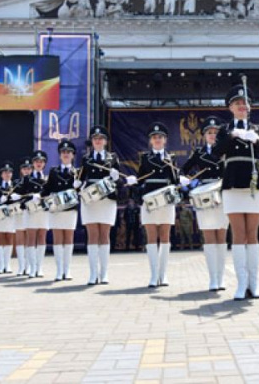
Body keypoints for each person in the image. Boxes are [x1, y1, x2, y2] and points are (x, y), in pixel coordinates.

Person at [212, 84, 259, 300]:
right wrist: (232, 135)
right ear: (231, 108)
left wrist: (254, 138)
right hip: (233, 182)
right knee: (238, 234)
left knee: (252, 234)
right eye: (237, 103)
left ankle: (254, 284)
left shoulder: (257, 128)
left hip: (253, 182)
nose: (241, 106)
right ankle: (241, 283)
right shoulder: (225, 129)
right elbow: (217, 151)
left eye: (244, 103)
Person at [128, 122, 182, 288]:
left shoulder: (171, 158)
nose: (157, 139)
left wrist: (182, 181)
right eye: (154, 137)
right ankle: (153, 275)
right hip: (150, 201)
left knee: (165, 236)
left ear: (165, 140)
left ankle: (163, 274)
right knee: (151, 236)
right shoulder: (145, 158)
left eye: (160, 137)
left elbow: (175, 181)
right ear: (150, 141)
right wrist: (133, 182)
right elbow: (140, 179)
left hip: (166, 201)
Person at [181, 115, 228, 291]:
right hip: (204, 196)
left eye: (215, 132)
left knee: (221, 236)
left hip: (222, 194)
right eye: (209, 132)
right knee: (209, 237)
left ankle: (221, 277)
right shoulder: (198, 153)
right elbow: (183, 170)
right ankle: (212, 278)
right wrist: (184, 179)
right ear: (204, 135)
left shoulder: (225, 151)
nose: (212, 135)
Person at [77, 125, 123, 285]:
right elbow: (81, 178)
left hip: (107, 200)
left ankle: (104, 273)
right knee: (92, 236)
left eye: (100, 139)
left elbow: (120, 182)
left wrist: (116, 177)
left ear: (105, 141)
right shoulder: (86, 159)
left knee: (104, 235)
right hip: (90, 200)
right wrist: (77, 183)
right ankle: (92, 273)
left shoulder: (113, 158)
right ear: (92, 141)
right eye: (95, 139)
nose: (98, 141)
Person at [40, 140, 79, 281]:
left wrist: (79, 185)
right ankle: (59, 270)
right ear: (60, 155)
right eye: (63, 152)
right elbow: (48, 188)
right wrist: (39, 194)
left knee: (68, 238)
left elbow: (81, 191)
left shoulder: (77, 172)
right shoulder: (53, 171)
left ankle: (67, 270)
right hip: (56, 209)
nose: (66, 154)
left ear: (73, 155)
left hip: (70, 209)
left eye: (68, 152)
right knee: (57, 239)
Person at [11, 158, 32, 276]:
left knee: (29, 239)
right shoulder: (16, 183)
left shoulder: (34, 181)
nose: (26, 171)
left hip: (30, 211)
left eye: (29, 168)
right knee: (19, 239)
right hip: (19, 211)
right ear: (21, 170)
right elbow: (10, 197)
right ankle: (21, 266)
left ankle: (29, 265)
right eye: (24, 168)